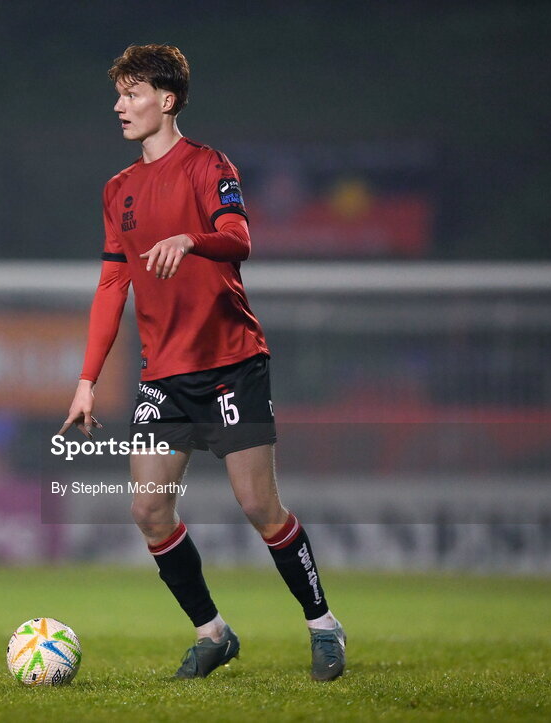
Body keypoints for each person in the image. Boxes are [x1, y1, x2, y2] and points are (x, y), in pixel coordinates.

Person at [59, 44, 346, 681]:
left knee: (259, 506)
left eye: (132, 93)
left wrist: (191, 239)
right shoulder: (118, 190)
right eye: (118, 94)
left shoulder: (208, 165)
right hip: (164, 375)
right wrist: (86, 379)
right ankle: (213, 633)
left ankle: (323, 625)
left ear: (167, 100)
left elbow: (239, 238)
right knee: (148, 510)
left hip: (230, 364)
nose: (119, 106)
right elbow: (112, 285)